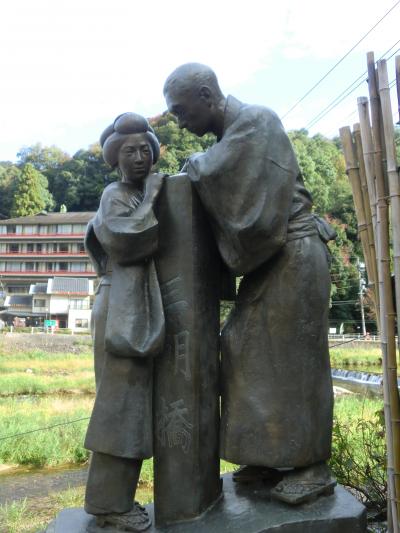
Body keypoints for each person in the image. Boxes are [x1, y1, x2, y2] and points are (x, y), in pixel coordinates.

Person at [163, 63, 336, 505]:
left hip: (295, 252)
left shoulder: (255, 122)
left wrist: (193, 168)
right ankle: (269, 456)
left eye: (181, 111)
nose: (180, 122)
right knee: (241, 348)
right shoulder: (232, 136)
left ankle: (312, 466)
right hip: (271, 261)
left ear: (206, 94)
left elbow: (214, 171)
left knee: (295, 360)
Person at [84, 112, 165, 531]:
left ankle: (114, 501)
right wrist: (151, 198)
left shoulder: (137, 192)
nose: (139, 158)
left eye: (144, 150)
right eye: (129, 151)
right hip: (119, 306)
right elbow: (125, 241)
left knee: (131, 409)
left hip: (133, 309)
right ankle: (108, 505)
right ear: (116, 159)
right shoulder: (116, 194)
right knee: (119, 408)